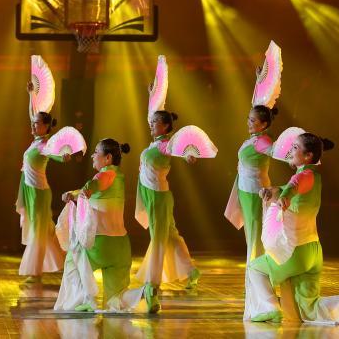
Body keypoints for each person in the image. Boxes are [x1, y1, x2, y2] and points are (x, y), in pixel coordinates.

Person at [248, 132, 339, 325]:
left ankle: (270, 309)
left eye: (295, 148)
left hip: (295, 251)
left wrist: (284, 197)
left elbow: (293, 186)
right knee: (308, 308)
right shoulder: (314, 177)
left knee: (255, 269)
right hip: (313, 251)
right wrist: (272, 191)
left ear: (308, 155)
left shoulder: (305, 175)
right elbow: (286, 187)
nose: (290, 150)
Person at [54, 139, 134, 312]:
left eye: (96, 152)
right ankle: (145, 293)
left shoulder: (105, 174)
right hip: (121, 247)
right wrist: (73, 194)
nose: (92, 155)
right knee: (116, 299)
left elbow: (94, 185)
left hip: (99, 244)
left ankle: (85, 301)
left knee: (73, 262)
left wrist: (86, 189)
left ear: (108, 158)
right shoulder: (120, 177)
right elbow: (88, 191)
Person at [135, 109, 201, 313]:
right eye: (151, 120)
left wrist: (189, 155)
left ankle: (152, 287)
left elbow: (181, 150)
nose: (151, 123)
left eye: (155, 121)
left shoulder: (166, 144)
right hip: (152, 194)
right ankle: (191, 271)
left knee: (158, 239)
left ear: (165, 126)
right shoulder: (155, 144)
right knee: (170, 235)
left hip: (158, 197)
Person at [224, 104, 279, 319]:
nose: (248, 123)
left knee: (256, 242)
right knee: (252, 240)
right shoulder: (254, 139)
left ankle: (262, 294)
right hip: (245, 191)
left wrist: (293, 159)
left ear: (264, 124)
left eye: (253, 120)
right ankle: (255, 287)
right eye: (248, 118)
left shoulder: (264, 141)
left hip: (256, 192)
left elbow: (275, 152)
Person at [15, 94, 71, 283]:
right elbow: (32, 113)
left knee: (38, 232)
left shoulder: (46, 145)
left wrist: (63, 156)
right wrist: (31, 95)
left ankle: (35, 272)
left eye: (37, 123)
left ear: (46, 126)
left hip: (39, 193)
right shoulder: (36, 142)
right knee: (45, 232)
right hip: (30, 191)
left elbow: (56, 155)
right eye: (33, 123)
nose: (33, 125)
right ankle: (67, 259)